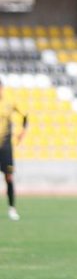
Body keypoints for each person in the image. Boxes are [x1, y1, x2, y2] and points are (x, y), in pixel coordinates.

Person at [0, 77, 28, 221]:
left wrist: (23, 131)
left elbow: (25, 115)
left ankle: (12, 208)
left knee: (9, 177)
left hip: (5, 147)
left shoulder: (10, 102)